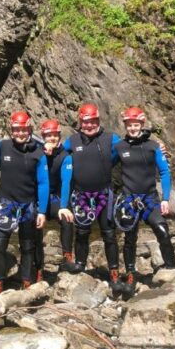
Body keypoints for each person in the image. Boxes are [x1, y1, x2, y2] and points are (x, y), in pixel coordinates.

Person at [114, 106, 175, 298]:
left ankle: (171, 267)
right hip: (129, 200)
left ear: (142, 124)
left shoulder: (153, 147)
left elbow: (165, 172)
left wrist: (165, 199)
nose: (133, 128)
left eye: (136, 125)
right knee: (129, 238)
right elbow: (102, 163)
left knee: (162, 230)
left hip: (150, 199)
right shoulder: (120, 147)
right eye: (129, 125)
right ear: (125, 126)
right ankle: (131, 272)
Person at [63, 104, 123, 294]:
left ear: (98, 120)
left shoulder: (111, 138)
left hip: (104, 194)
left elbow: (131, 147)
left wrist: (157, 147)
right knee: (82, 231)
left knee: (109, 234)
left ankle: (114, 274)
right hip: (81, 195)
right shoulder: (72, 141)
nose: (89, 125)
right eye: (85, 122)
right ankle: (80, 264)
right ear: (80, 123)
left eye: (93, 121)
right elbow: (56, 153)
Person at [0, 111, 49, 298]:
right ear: (11, 130)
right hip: (6, 205)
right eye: (16, 129)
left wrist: (42, 211)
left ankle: (26, 282)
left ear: (29, 129)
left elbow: (43, 183)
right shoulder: (3, 146)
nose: (20, 133)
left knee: (27, 246)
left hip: (28, 206)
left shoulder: (38, 153)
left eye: (23, 129)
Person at [34, 119, 78, 279]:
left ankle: (67, 257)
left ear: (59, 136)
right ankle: (37, 266)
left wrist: (64, 206)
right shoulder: (36, 151)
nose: (52, 138)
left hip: (54, 198)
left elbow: (66, 182)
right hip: (38, 197)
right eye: (48, 136)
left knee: (67, 219)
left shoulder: (65, 156)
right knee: (35, 224)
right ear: (43, 136)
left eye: (54, 135)